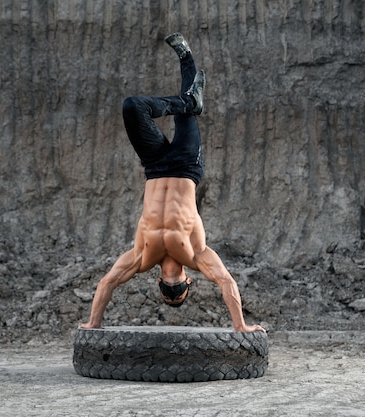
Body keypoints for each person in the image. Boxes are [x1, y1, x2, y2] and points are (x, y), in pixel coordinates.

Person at [79, 33, 265, 333]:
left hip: (155, 166)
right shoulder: (194, 254)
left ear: (187, 283)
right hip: (186, 165)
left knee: (135, 107)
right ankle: (185, 60)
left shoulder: (142, 256)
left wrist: (94, 323)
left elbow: (108, 282)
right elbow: (225, 282)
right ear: (163, 283)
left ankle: (189, 99)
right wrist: (240, 327)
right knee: (158, 110)